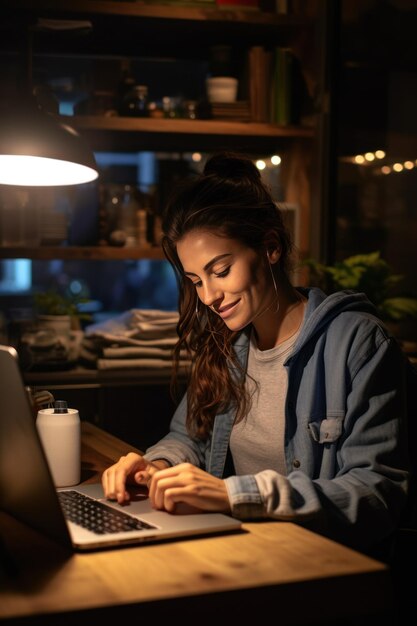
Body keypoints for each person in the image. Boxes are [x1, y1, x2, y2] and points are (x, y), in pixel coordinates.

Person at [102, 151, 410, 557]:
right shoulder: (225, 344)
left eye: (221, 270)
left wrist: (237, 494)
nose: (209, 296)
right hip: (253, 555)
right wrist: (156, 467)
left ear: (270, 248)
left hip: (330, 570)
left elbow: (376, 494)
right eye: (196, 281)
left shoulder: (357, 343)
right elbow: (189, 437)